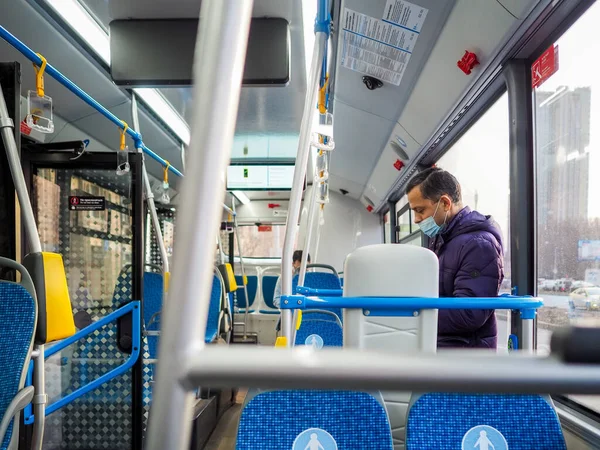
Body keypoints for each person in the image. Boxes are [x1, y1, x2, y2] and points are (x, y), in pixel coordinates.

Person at [406, 167, 504, 349]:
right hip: (442, 344)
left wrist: (412, 313)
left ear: (444, 203)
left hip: (464, 355)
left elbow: (469, 314)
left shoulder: (478, 244)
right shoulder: (443, 238)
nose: (417, 219)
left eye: (420, 210)